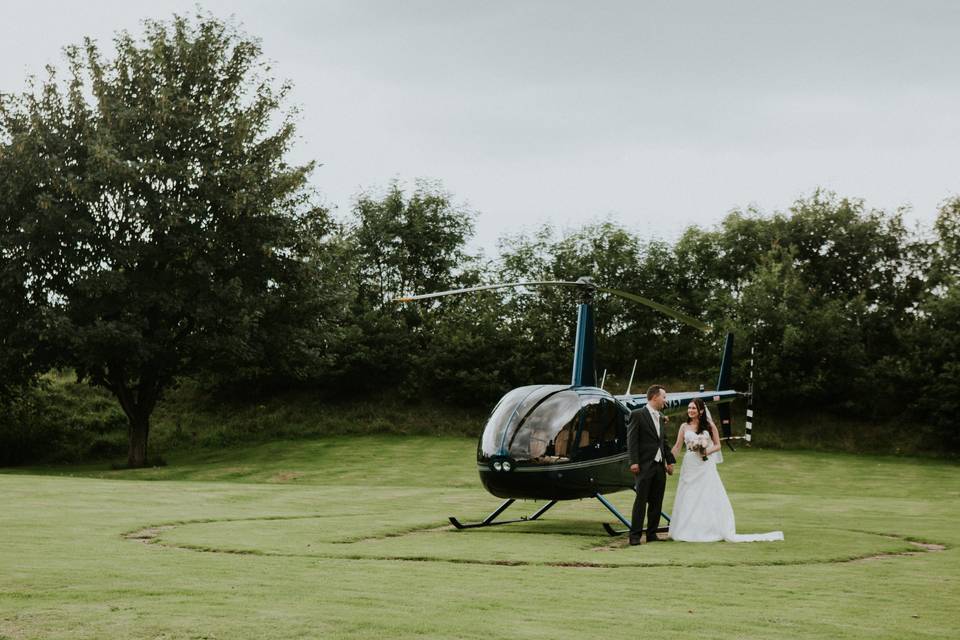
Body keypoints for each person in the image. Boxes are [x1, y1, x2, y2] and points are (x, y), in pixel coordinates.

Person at [668, 398, 783, 543]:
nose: (690, 410)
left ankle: (707, 529)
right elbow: (678, 446)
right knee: (688, 494)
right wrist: (670, 461)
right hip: (690, 465)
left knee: (705, 495)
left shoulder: (709, 426)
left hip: (705, 465)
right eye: (689, 408)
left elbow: (717, 445)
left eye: (694, 408)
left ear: (701, 411)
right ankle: (686, 529)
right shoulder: (684, 426)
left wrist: (705, 451)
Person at [627, 384, 675, 545]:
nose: (665, 400)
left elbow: (664, 441)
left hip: (659, 465)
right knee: (641, 501)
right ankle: (634, 536)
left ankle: (652, 534)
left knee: (657, 501)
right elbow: (632, 440)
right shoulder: (637, 414)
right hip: (644, 465)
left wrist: (670, 462)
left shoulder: (661, 417)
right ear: (655, 397)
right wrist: (634, 462)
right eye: (664, 397)